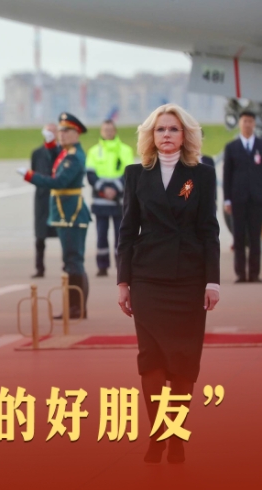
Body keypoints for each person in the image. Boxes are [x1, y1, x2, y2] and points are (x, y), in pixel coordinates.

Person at [117, 103, 220, 464]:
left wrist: (212, 281)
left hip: (188, 279)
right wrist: (123, 281)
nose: (166, 135)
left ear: (185, 135)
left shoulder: (202, 175)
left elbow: (209, 230)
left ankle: (176, 436)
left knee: (183, 361)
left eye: (173, 129)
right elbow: (127, 230)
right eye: (160, 129)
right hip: (147, 278)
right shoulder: (135, 174)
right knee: (152, 360)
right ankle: (158, 434)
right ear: (151, 135)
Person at [17, 112, 91, 319]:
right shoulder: (67, 153)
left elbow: (58, 182)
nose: (61, 134)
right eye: (60, 131)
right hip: (65, 213)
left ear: (76, 134)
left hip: (70, 214)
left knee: (73, 261)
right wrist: (50, 146)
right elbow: (55, 163)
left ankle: (76, 308)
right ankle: (76, 307)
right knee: (71, 261)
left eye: (66, 131)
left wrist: (30, 176)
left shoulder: (74, 156)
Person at [86, 119, 132, 277]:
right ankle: (102, 266)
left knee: (121, 235)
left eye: (111, 129)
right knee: (101, 235)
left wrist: (115, 189)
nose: (108, 132)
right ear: (101, 131)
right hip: (100, 200)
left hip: (119, 201)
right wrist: (104, 189)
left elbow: (128, 173)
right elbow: (90, 175)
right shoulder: (94, 151)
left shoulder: (125, 150)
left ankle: (121, 266)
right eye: (105, 130)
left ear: (115, 131)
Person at [222, 110, 262, 282]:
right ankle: (240, 274)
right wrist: (227, 199)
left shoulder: (260, 145)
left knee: (255, 237)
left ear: (254, 123)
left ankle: (254, 274)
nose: (248, 124)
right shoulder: (232, 147)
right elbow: (227, 175)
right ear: (240, 123)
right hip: (237, 199)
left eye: (250, 121)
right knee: (238, 237)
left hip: (257, 199)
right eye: (245, 121)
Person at [29, 123, 59, 278]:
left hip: (58, 197)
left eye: (53, 131)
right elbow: (34, 172)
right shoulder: (37, 153)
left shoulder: (61, 152)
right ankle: (39, 268)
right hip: (42, 198)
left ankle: (68, 266)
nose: (51, 134)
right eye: (48, 131)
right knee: (40, 235)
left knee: (63, 232)